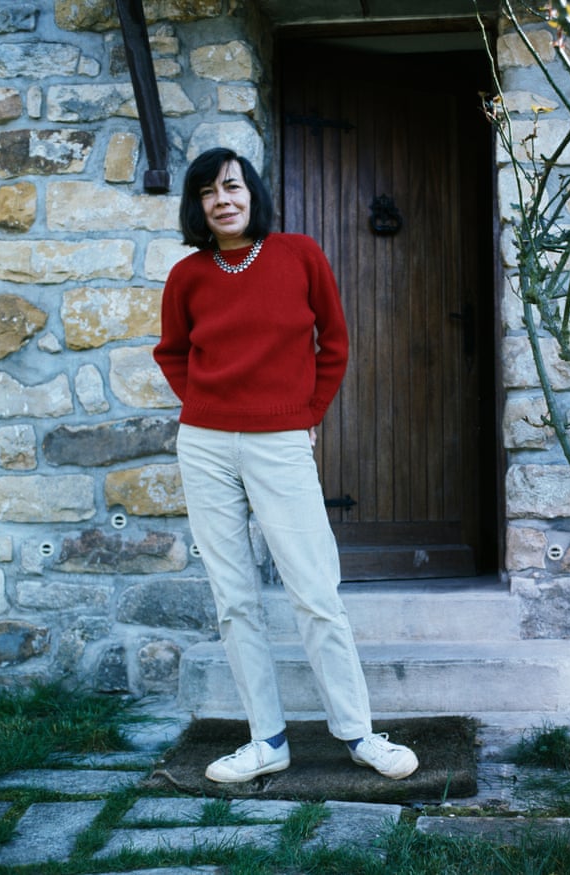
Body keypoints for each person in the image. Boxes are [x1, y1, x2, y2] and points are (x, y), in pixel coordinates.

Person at [154, 147, 419, 783]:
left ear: (253, 194)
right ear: (197, 206)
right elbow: (172, 352)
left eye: (233, 188)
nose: (223, 201)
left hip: (280, 442)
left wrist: (307, 414)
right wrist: (207, 406)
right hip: (206, 445)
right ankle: (267, 740)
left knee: (314, 590)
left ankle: (358, 734)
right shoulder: (187, 276)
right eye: (209, 194)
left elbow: (334, 341)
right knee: (234, 599)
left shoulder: (299, 254)